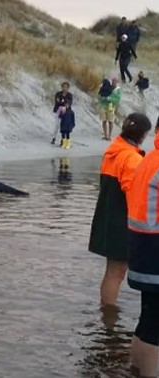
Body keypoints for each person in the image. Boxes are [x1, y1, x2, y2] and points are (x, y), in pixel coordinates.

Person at [88, 113, 151, 308]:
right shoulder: (131, 158)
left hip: (107, 217)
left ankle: (107, 316)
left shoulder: (111, 152)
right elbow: (134, 195)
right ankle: (109, 315)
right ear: (142, 135)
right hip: (122, 221)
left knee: (112, 271)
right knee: (117, 272)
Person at [127, 116, 159, 378]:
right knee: (155, 326)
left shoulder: (148, 158)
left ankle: (135, 370)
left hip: (141, 247)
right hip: (155, 250)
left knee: (147, 318)